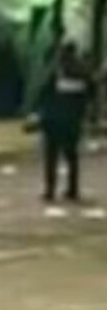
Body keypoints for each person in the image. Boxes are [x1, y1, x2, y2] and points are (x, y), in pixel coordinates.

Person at [37, 41, 94, 203]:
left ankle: (50, 190)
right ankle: (72, 189)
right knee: (71, 155)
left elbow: (45, 93)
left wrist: (40, 113)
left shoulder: (56, 72)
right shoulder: (83, 73)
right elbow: (91, 93)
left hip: (54, 120)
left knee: (51, 156)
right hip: (72, 120)